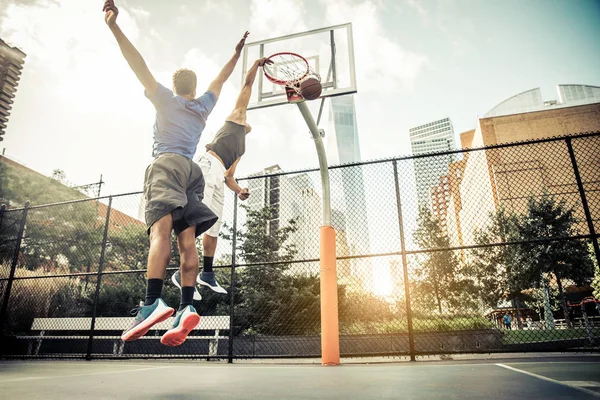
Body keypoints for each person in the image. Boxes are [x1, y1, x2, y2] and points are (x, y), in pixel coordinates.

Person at [103, 0, 248, 346]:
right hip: (192, 172)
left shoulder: (165, 99)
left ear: (175, 86)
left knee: (160, 234)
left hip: (166, 164)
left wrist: (113, 26)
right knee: (187, 242)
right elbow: (223, 79)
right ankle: (185, 307)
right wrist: (236, 53)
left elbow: (136, 62)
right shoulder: (203, 107)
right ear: (194, 88)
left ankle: (153, 301)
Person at [171, 57, 272, 298]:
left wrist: (240, 191)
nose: (247, 122)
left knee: (213, 224)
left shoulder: (241, 148)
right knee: (196, 217)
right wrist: (256, 65)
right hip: (207, 166)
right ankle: (180, 271)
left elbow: (229, 177)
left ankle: (206, 273)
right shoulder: (236, 118)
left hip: (220, 175)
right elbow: (246, 86)